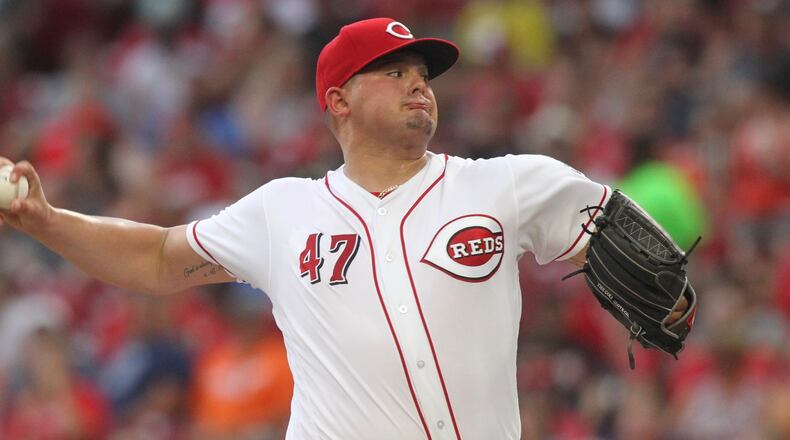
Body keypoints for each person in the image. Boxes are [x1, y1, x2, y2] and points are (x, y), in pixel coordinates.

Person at [0, 17, 689, 440]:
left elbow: (646, 258)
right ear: (339, 100)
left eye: (423, 74)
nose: (419, 85)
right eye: (394, 72)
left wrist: (675, 293)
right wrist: (47, 221)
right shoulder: (282, 211)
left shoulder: (506, 184)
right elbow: (156, 257)